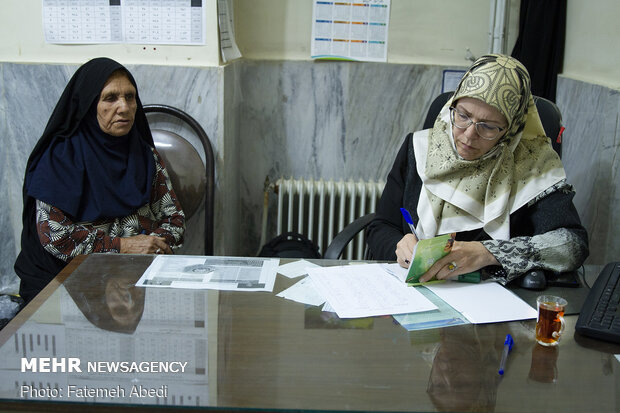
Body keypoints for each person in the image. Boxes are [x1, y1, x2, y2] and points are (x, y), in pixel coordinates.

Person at [366, 54, 588, 284]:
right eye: (463, 115)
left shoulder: (533, 167)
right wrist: (399, 246)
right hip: (415, 291)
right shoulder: (419, 149)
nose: (469, 135)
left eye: (488, 127)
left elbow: (572, 243)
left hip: (491, 302)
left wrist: (487, 253)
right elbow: (381, 226)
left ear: (510, 130)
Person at [14, 57, 185, 303]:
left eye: (130, 97)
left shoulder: (143, 155)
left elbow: (175, 220)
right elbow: (56, 236)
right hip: (67, 280)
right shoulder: (60, 159)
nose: (124, 107)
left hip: (136, 276)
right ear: (88, 104)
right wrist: (124, 248)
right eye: (110, 98)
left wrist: (148, 248)